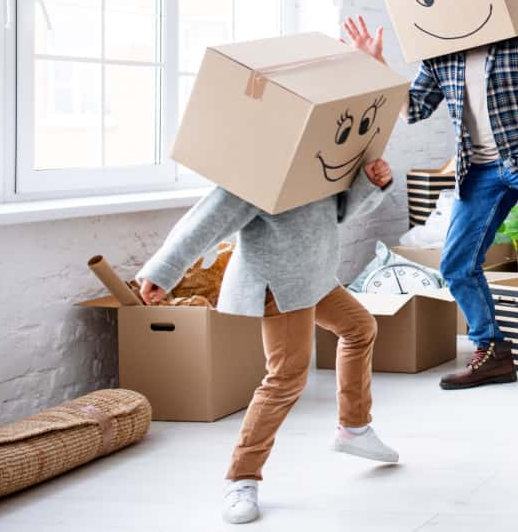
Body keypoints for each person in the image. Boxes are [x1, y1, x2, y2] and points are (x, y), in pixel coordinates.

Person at [343, 14, 518, 390]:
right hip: (479, 167)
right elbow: (413, 109)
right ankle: (492, 352)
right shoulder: (440, 54)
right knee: (456, 266)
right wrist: (376, 62)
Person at [137, 159, 398, 524]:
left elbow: (339, 212)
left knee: (359, 327)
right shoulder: (265, 165)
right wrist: (165, 269)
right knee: (286, 377)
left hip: (315, 275)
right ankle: (241, 478)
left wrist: (370, 184)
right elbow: (212, 214)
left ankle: (354, 428)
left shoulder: (320, 157)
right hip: (280, 282)